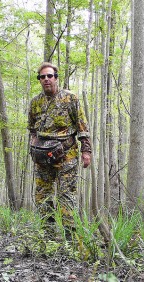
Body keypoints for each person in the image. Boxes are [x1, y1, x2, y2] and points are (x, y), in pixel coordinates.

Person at [27, 62, 92, 236]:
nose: (46, 79)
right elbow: (32, 128)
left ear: (56, 77)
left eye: (50, 76)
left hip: (67, 154)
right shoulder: (35, 102)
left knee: (66, 195)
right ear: (39, 80)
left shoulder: (71, 98)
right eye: (42, 77)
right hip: (42, 155)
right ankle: (48, 235)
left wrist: (86, 151)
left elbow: (82, 126)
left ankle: (69, 236)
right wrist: (33, 148)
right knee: (43, 195)